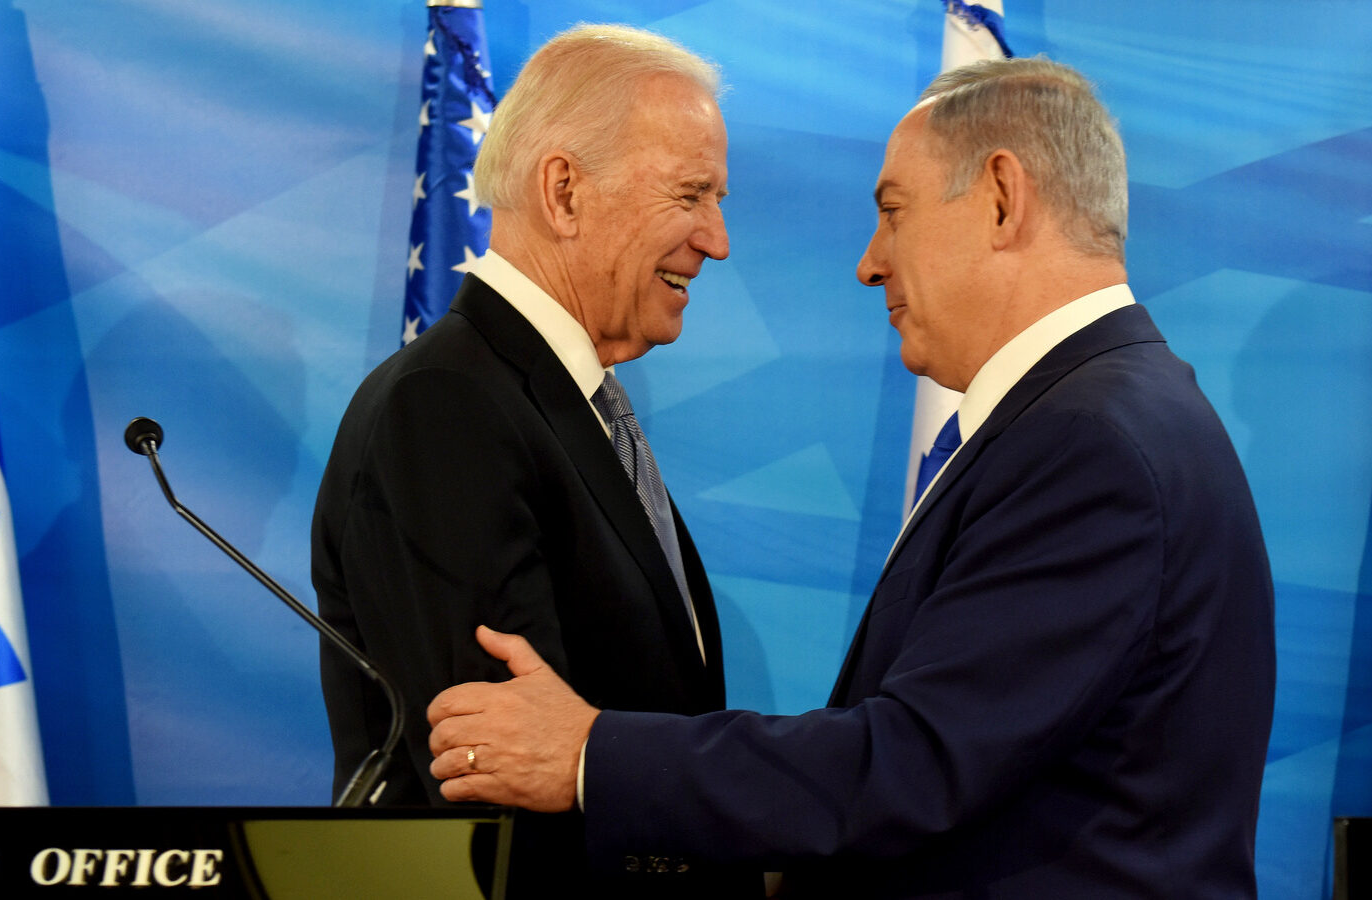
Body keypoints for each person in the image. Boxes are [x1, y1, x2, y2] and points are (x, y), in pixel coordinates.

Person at [427, 55, 1277, 899]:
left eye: (893, 213)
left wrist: (587, 754)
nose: (871, 263)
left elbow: (917, 762)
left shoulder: (1090, 444)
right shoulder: (1103, 413)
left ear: (1001, 198)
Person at [312, 24, 754, 897]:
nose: (718, 238)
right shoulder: (448, 408)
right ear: (564, 191)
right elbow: (497, 786)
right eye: (692, 193)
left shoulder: (561, 403)